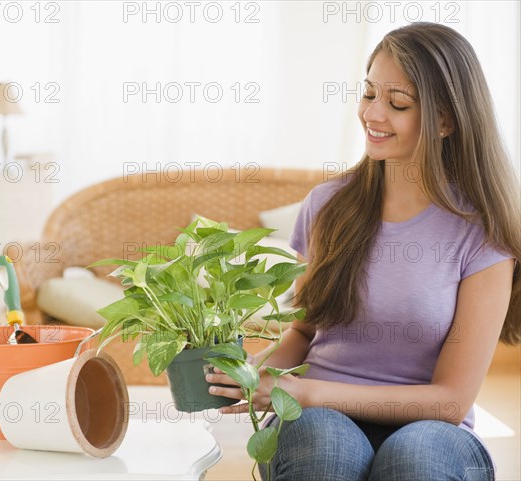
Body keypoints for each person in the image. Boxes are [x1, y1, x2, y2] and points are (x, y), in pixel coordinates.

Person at [206, 22, 520, 481]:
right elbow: (303, 333)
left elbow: (451, 400)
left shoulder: (483, 231)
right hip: (318, 422)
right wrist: (253, 374)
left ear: (446, 121)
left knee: (416, 461)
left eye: (397, 103)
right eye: (369, 92)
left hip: (431, 427)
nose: (372, 113)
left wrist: (307, 392)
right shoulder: (329, 204)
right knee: (324, 451)